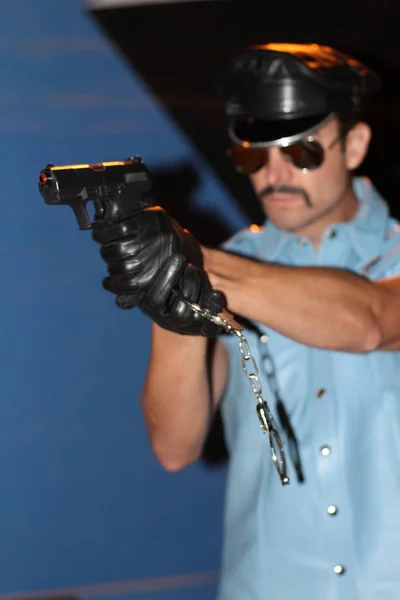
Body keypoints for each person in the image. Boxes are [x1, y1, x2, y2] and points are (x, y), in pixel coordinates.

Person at [93, 43, 400, 599]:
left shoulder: (221, 267)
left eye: (302, 152)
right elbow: (175, 446)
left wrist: (195, 261)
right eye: (253, 157)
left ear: (354, 144)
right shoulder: (218, 267)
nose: (275, 174)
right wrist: (171, 290)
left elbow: (372, 322)